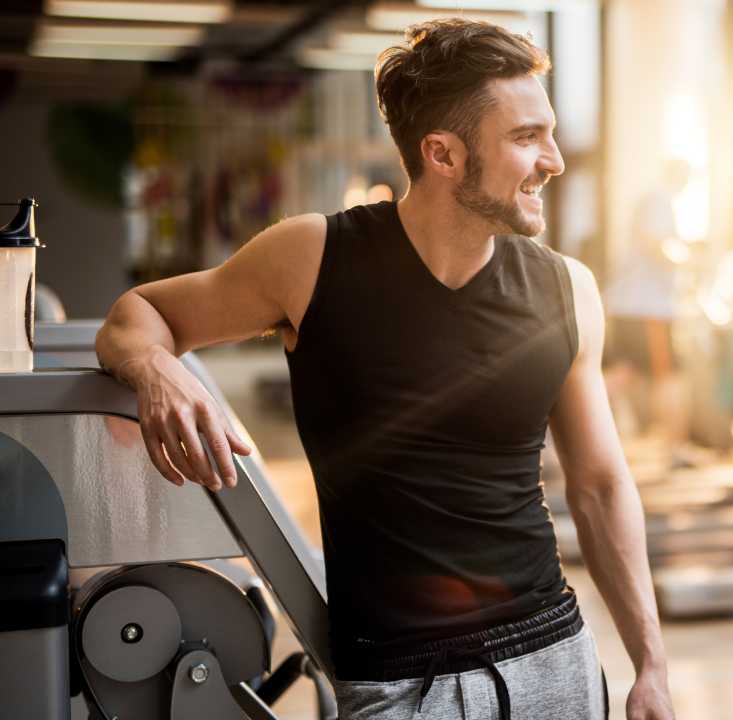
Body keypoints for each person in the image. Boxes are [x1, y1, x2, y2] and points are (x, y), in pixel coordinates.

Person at [95, 19, 674, 720]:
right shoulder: (312, 259)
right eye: (526, 137)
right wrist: (157, 370)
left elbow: (601, 485)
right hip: (400, 685)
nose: (553, 159)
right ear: (444, 154)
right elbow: (134, 317)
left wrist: (651, 665)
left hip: (553, 660)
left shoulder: (567, 289)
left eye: (549, 132)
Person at [603, 159, 693, 467]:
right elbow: (654, 243)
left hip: (634, 305)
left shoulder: (654, 199)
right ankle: (676, 448)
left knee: (621, 373)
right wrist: (688, 261)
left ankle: (552, 432)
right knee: (669, 377)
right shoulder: (659, 199)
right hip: (648, 308)